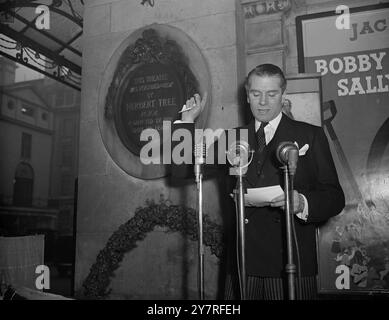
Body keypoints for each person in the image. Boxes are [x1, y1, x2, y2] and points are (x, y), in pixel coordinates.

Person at [176, 63, 345, 300]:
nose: (263, 102)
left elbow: (335, 197)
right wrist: (186, 122)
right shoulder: (232, 137)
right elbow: (184, 169)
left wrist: (301, 203)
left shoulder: (310, 135)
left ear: (282, 94)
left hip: (290, 262)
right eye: (256, 94)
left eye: (271, 94)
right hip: (243, 262)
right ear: (247, 96)